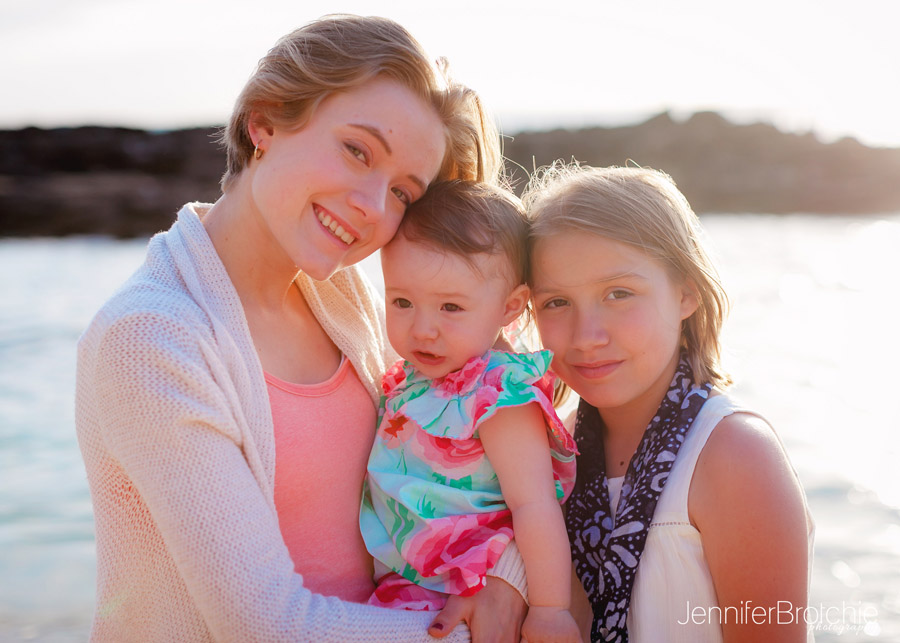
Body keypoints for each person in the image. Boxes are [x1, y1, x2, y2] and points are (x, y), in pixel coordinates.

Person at [75, 15, 529, 642]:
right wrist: (472, 634)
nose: (372, 207)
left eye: (402, 191)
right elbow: (268, 625)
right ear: (265, 121)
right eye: (356, 150)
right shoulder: (150, 340)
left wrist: (509, 578)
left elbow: (473, 471)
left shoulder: (349, 301)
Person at [524, 165, 814, 643]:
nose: (586, 337)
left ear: (687, 292)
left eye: (619, 293)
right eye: (556, 302)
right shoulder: (549, 449)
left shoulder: (734, 455)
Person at [358, 180, 582, 642]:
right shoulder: (418, 376)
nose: (423, 329)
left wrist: (549, 609)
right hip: (411, 578)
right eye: (402, 302)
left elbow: (535, 503)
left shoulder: (498, 394)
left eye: (451, 307)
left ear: (510, 306)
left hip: (465, 580)